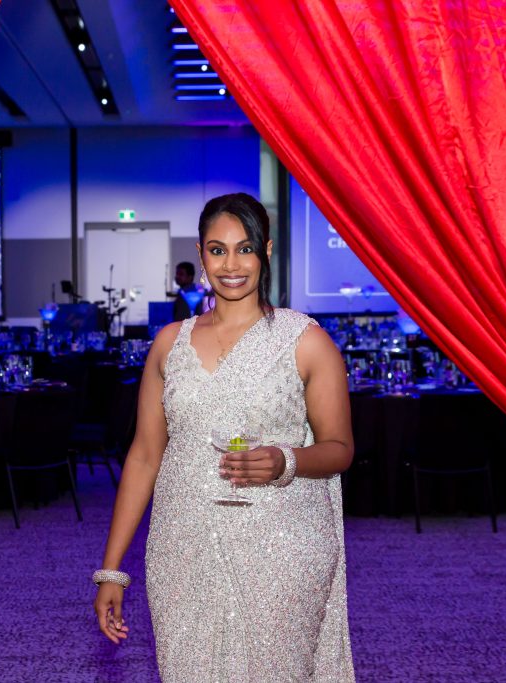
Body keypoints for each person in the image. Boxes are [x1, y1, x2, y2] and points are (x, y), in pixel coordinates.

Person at [93, 193, 355, 680]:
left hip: (282, 546)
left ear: (266, 251)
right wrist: (112, 570)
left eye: (245, 249)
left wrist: (286, 460)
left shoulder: (306, 342)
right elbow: (145, 456)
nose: (231, 265)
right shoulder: (169, 344)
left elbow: (340, 449)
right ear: (201, 253)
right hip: (182, 546)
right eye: (218, 250)